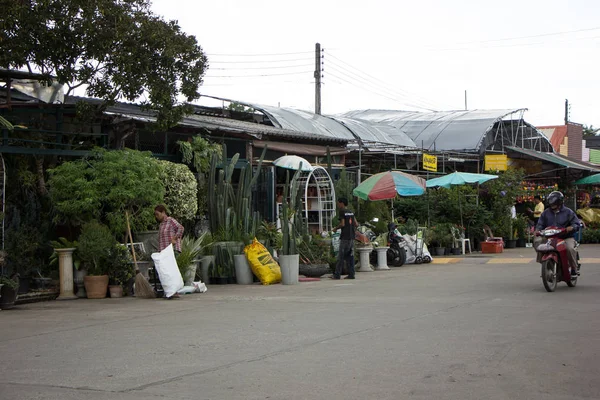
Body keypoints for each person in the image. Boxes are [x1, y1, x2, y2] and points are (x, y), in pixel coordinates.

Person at [534, 191, 580, 276]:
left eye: (554, 203)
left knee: (569, 248)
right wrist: (538, 230)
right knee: (538, 242)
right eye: (551, 203)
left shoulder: (568, 212)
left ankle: (574, 268)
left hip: (566, 237)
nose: (552, 205)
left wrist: (572, 227)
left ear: (560, 202)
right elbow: (540, 224)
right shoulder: (546, 213)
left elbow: (576, 223)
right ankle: (544, 262)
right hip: (550, 237)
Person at [332, 198, 358, 280]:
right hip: (351, 237)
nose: (338, 205)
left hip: (345, 237)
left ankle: (337, 275)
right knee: (350, 256)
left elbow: (342, 224)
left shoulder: (342, 211)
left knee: (341, 256)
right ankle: (351, 274)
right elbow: (356, 224)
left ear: (342, 203)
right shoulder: (351, 212)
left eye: (338, 203)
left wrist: (336, 228)